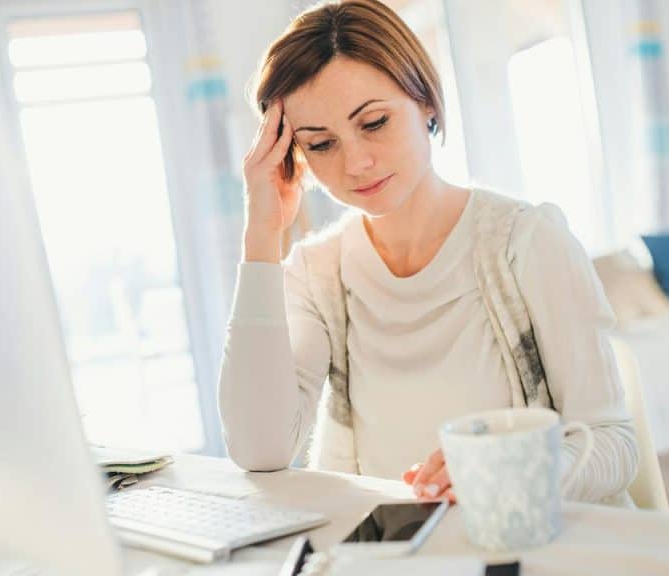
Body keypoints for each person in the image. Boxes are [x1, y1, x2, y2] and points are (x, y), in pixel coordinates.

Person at [218, 0, 637, 506]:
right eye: (322, 144)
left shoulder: (526, 241)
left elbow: (613, 443)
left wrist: (511, 473)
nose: (357, 162)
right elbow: (259, 449)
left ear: (426, 103)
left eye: (373, 122)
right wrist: (262, 233)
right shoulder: (316, 273)